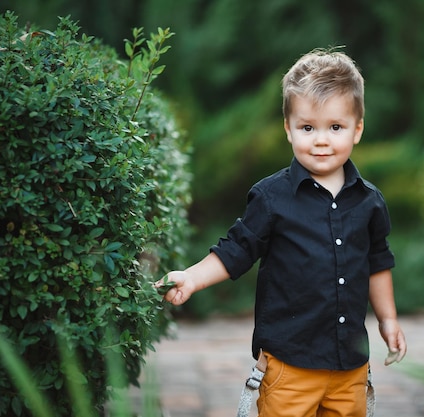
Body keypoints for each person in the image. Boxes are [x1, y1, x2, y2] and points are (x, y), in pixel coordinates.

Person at [158, 48, 407, 417]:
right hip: (290, 367)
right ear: (288, 128)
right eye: (308, 127)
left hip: (349, 366)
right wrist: (192, 279)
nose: (321, 140)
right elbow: (236, 249)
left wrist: (388, 320)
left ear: (357, 129)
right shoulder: (272, 198)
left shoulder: (369, 202)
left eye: (335, 127)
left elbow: (377, 262)